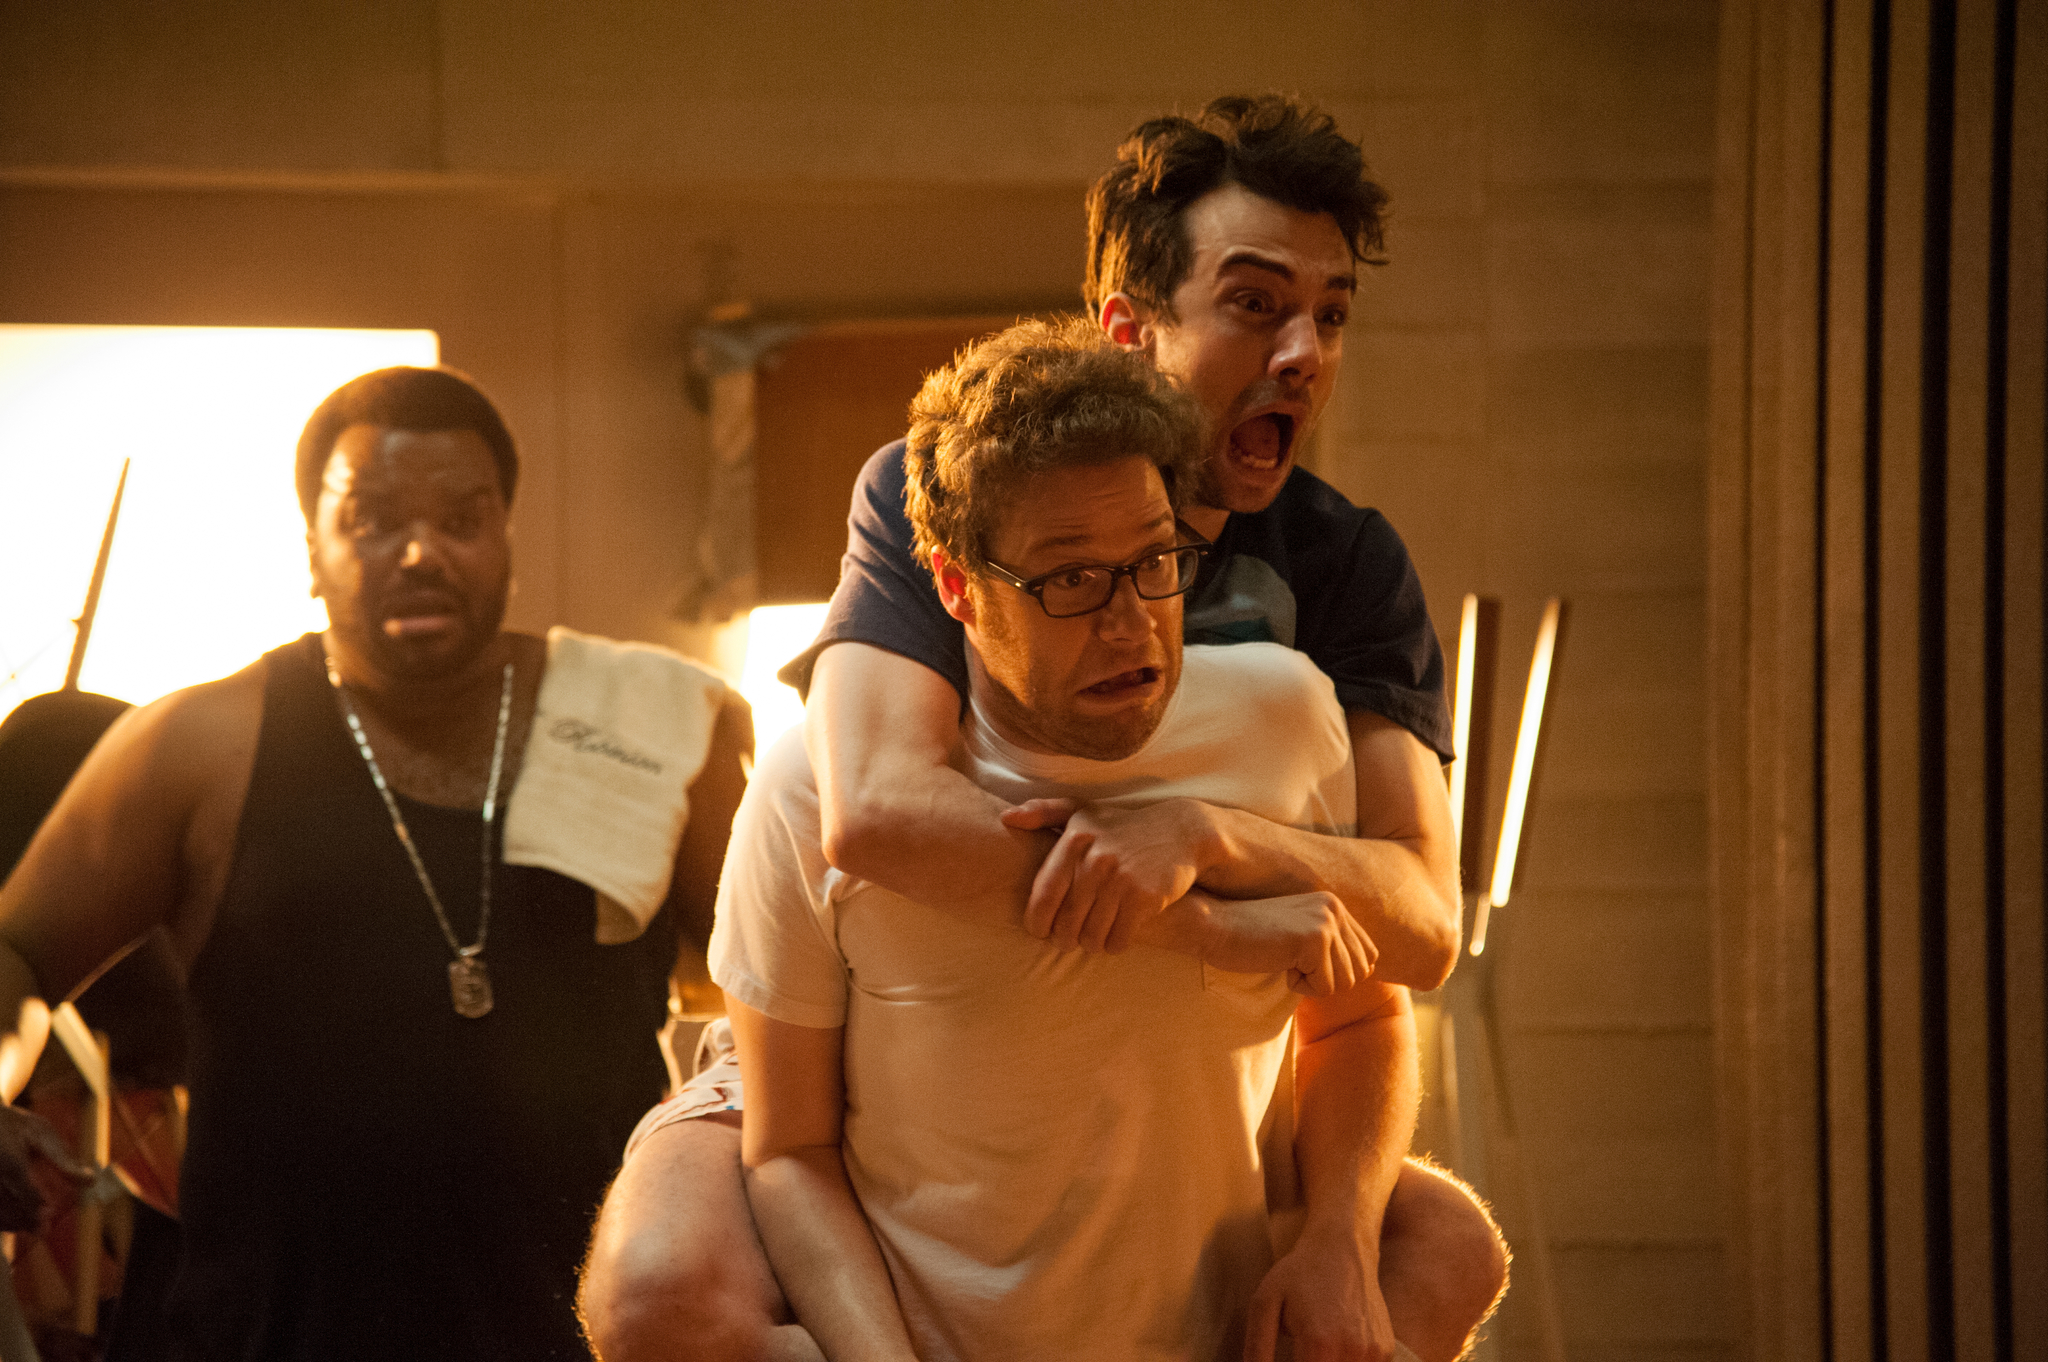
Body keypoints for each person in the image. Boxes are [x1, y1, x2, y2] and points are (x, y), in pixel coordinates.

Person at [581, 97, 1506, 1361]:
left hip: (1182, 1022)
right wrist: (1199, 918)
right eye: (1252, 304)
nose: (1301, 352)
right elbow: (876, 811)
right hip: (892, 996)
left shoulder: (1337, 577)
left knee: (1443, 1247)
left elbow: (1415, 923)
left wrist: (1204, 836)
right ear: (1131, 329)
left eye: (1330, 315)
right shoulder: (940, 487)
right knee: (662, 1287)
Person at [0, 366, 751, 1361]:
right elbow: (17, 952)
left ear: (505, 536)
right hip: (274, 1336)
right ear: (312, 548)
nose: (420, 552)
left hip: (585, 1336)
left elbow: (774, 992)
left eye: (461, 519)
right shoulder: (200, 745)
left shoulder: (651, 730)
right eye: (371, 521)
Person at [718, 319, 1404, 1361]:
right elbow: (787, 1152)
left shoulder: (1285, 721)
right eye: (1070, 581)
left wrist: (1338, 1235)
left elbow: (1358, 1018)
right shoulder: (807, 790)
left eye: (1155, 561)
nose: (1131, 624)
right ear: (955, 587)